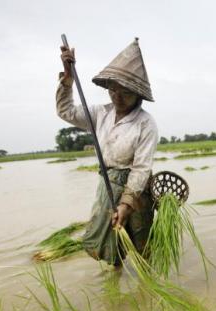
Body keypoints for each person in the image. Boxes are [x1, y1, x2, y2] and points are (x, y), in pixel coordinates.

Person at [57, 38, 158, 265]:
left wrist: (125, 203)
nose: (117, 97)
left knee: (142, 242)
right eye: (113, 90)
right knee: (111, 239)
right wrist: (68, 79)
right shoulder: (100, 113)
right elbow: (66, 111)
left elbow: (141, 168)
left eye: (125, 93)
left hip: (137, 191)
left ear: (137, 94)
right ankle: (115, 275)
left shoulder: (145, 124)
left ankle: (147, 285)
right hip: (108, 185)